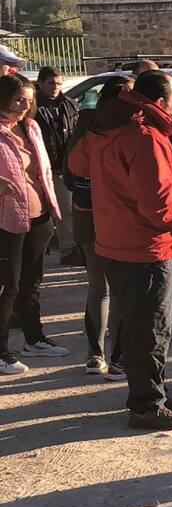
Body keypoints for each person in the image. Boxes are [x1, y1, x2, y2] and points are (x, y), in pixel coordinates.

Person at [67, 69, 172, 429]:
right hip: (146, 246)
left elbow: (76, 167)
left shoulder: (104, 130)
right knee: (150, 328)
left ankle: (154, 392)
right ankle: (146, 404)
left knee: (141, 325)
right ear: (159, 101)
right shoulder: (144, 137)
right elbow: (160, 205)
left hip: (114, 241)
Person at [0, 74, 68, 375]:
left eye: (29, 101)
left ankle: (34, 338)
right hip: (7, 219)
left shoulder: (32, 127)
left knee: (32, 281)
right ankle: (1, 351)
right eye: (18, 101)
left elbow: (44, 168)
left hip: (39, 213)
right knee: (9, 286)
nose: (24, 107)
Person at [63, 77, 129, 379]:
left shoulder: (89, 123)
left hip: (90, 213)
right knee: (112, 291)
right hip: (110, 217)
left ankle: (100, 355)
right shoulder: (132, 129)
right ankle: (110, 356)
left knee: (101, 289)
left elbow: (71, 170)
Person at [33, 66, 82, 267]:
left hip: (65, 166)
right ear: (41, 83)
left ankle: (69, 249)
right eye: (51, 83)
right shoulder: (33, 106)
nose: (55, 87)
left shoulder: (69, 104)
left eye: (59, 83)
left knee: (66, 209)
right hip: (42, 165)